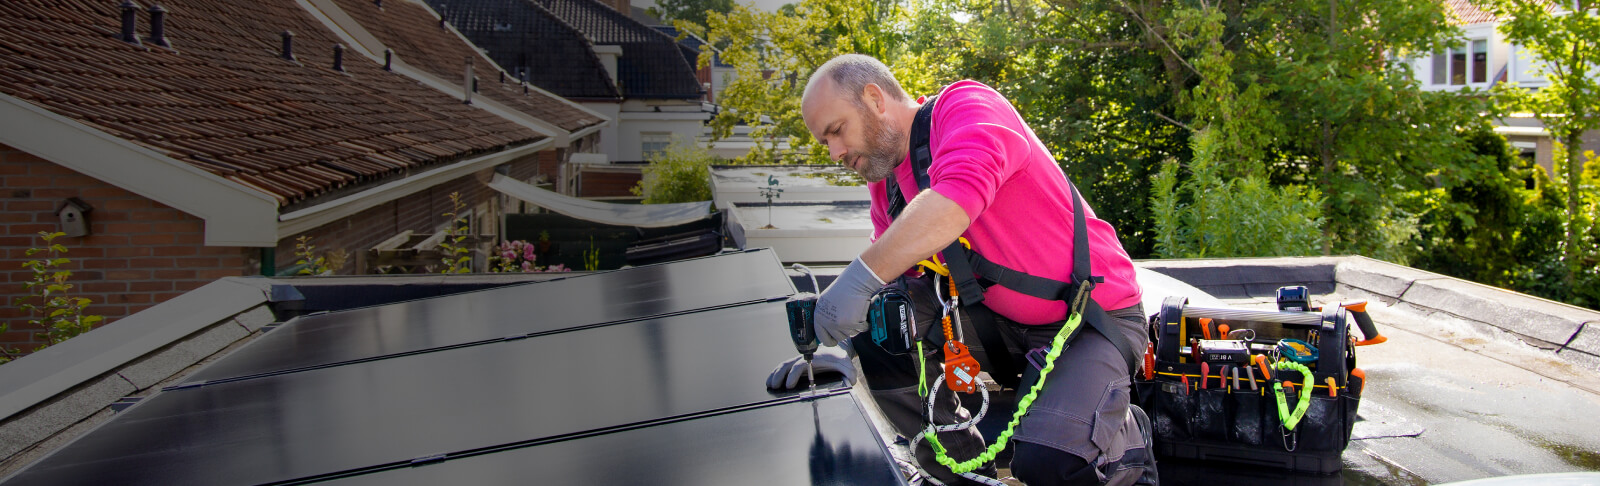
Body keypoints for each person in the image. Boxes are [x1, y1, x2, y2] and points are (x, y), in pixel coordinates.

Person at [766, 54, 1157, 486]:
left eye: (836, 131)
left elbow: (953, 202)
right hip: (1001, 326)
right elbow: (898, 287)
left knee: (1048, 464)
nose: (836, 153)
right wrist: (845, 350)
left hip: (1091, 321)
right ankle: (964, 476)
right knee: (882, 322)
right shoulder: (887, 186)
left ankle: (1124, 440)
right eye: (826, 144)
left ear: (875, 98)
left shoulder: (967, 107)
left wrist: (859, 278)